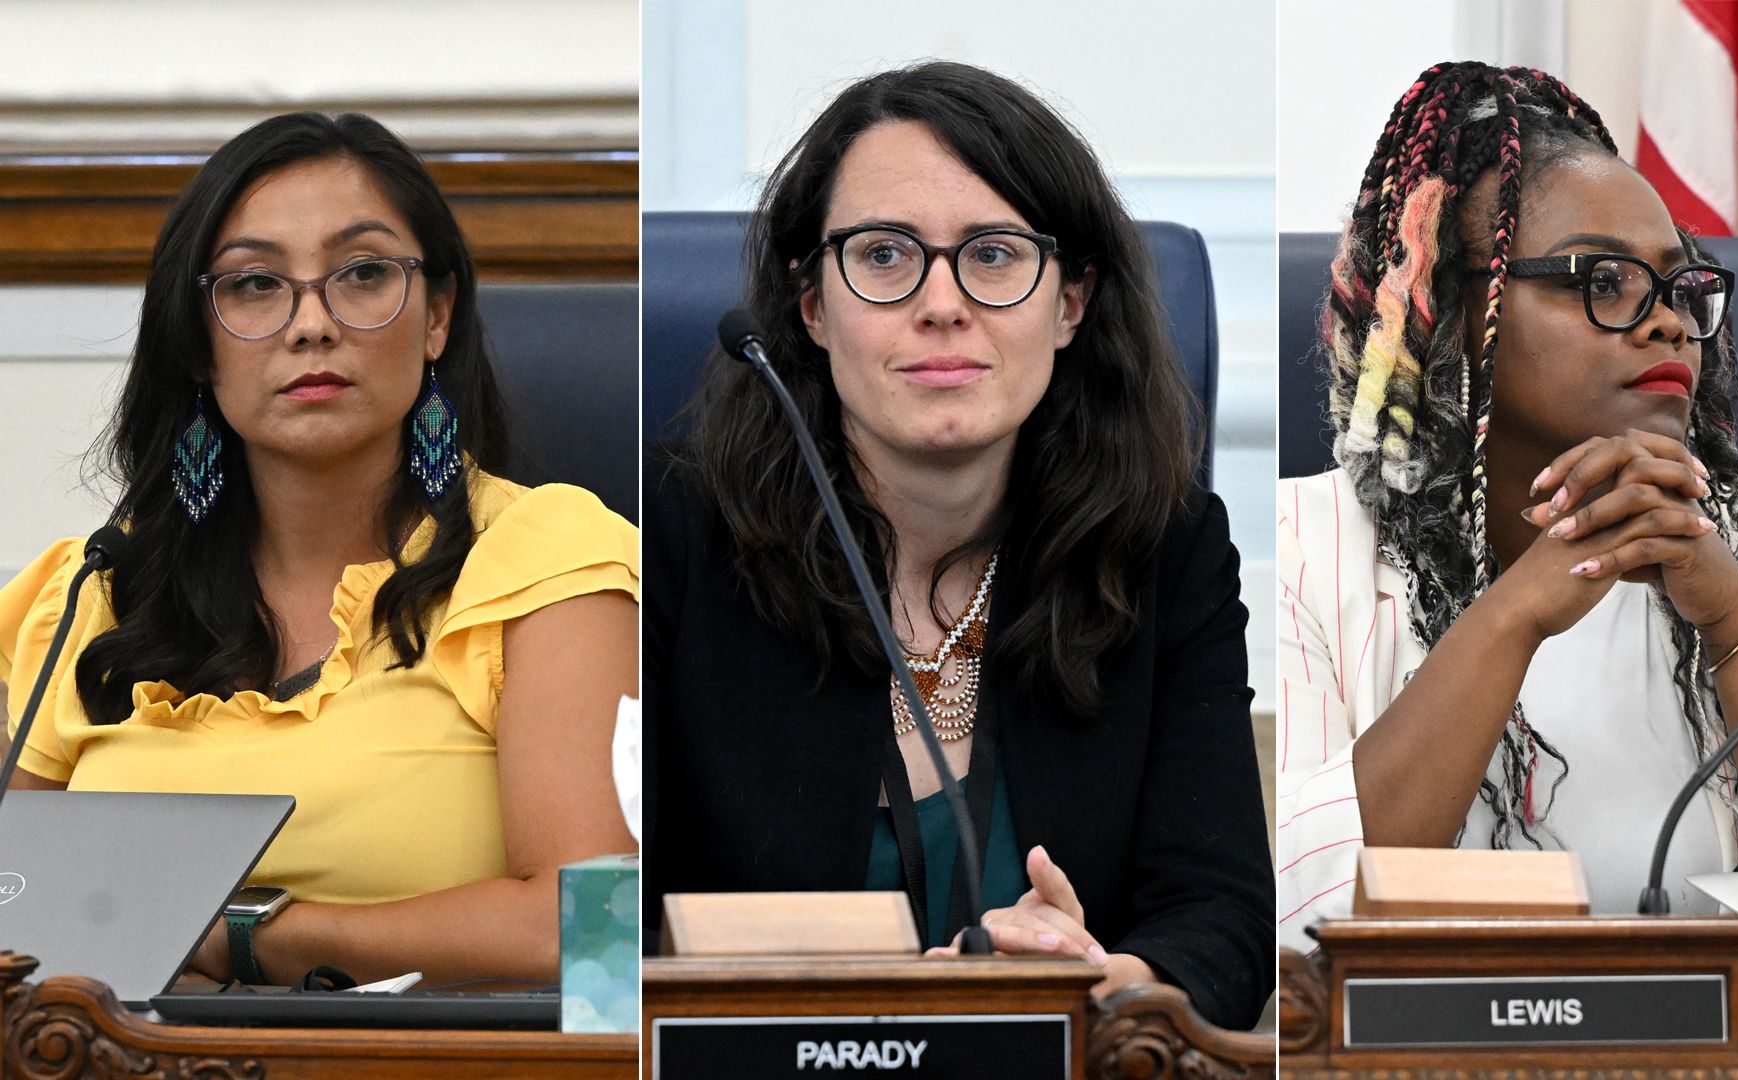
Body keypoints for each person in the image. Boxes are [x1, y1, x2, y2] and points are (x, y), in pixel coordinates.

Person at [643, 61, 1274, 1029]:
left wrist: (1096, 978)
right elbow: (599, 915)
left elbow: (1221, 918)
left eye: (992, 253)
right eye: (886, 256)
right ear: (812, 305)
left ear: (1070, 303)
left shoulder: (1165, 550)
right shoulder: (668, 534)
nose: (942, 303)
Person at [1276, 61, 1738, 952]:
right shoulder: (1302, 550)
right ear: (1459, 311)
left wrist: (1733, 616)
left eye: (1679, 288)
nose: (1664, 323)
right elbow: (1292, 923)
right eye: (1602, 280)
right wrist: (1520, 609)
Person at [0, 113, 639, 986]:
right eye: (255, 284)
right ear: (197, 344)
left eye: (364, 273)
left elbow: (602, 937)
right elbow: (16, 917)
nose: (310, 324)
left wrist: (249, 937)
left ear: (438, 316)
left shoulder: (546, 562)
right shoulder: (99, 586)